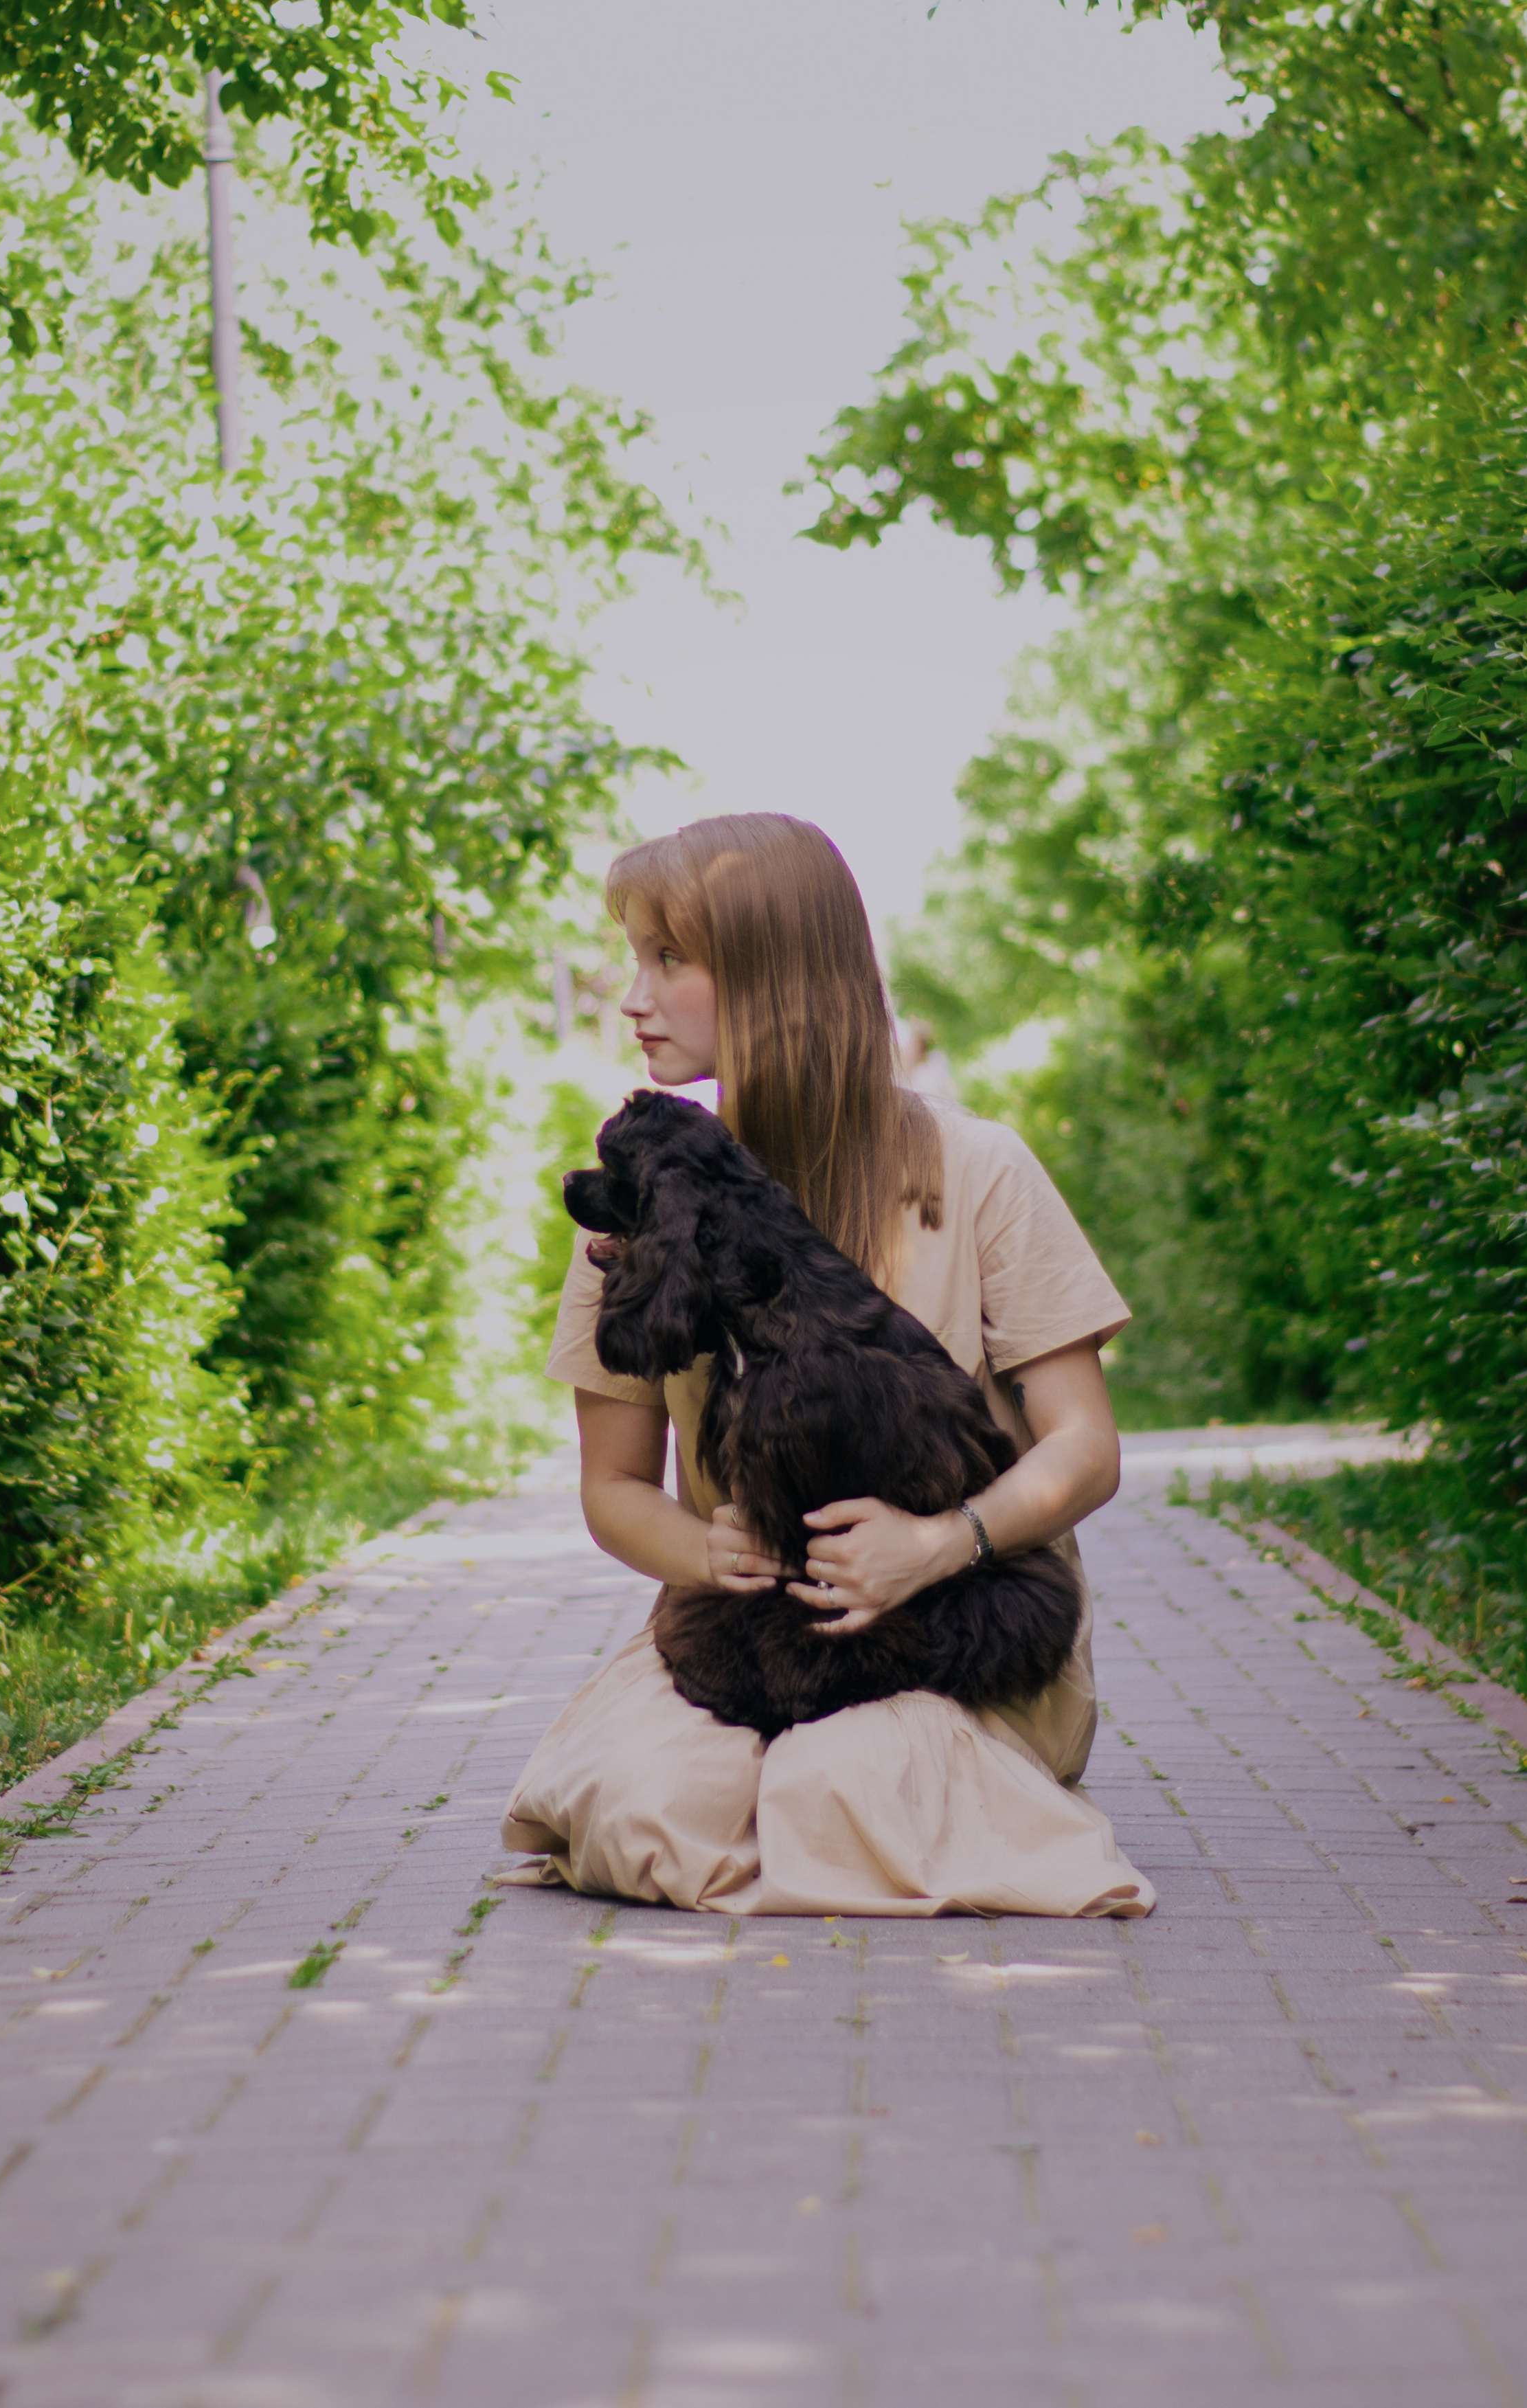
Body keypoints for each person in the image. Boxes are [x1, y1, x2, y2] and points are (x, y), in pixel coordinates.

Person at [495, 814, 1154, 1918]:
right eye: (634, 958)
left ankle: (846, 1800)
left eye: (668, 959)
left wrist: (941, 1542)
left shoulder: (979, 1166)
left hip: (959, 1623)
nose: (631, 996)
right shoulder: (643, 1205)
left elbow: (1086, 1448)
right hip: (745, 1633)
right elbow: (612, 1491)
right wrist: (710, 1551)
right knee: (645, 1808)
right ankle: (817, 1813)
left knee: (840, 1784)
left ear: (774, 974)